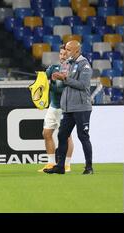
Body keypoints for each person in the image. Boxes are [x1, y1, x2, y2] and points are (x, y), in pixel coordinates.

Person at [44, 40, 94, 175]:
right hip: (68, 107)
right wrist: (57, 79)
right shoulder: (67, 64)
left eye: (69, 50)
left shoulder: (85, 65)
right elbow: (62, 84)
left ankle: (89, 167)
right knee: (62, 135)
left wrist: (64, 79)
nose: (66, 52)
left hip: (81, 107)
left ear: (77, 51)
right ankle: (60, 166)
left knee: (83, 136)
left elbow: (83, 85)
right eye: (65, 49)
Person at [38, 45, 74, 173]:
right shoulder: (53, 68)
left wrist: (53, 83)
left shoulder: (73, 69)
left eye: (65, 54)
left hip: (66, 108)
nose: (62, 56)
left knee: (67, 136)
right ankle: (50, 163)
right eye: (61, 54)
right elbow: (42, 78)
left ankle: (67, 164)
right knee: (46, 134)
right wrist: (40, 81)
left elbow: (64, 87)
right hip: (53, 107)